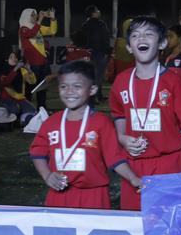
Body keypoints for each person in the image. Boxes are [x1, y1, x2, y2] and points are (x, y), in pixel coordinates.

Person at [109, 16, 181, 210]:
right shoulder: (121, 81)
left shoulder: (174, 81)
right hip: (134, 163)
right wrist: (123, 138)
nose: (141, 38)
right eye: (135, 35)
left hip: (168, 162)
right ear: (128, 46)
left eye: (148, 34)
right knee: (133, 219)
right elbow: (119, 115)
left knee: (165, 220)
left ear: (162, 43)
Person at [29, 60, 141, 210]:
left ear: (92, 89)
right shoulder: (51, 123)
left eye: (77, 86)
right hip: (58, 195)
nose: (69, 91)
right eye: (64, 86)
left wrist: (132, 178)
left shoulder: (101, 122)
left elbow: (114, 158)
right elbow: (37, 152)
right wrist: (47, 175)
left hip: (94, 196)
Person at [19, 7, 57, 109]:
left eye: (35, 14)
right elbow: (31, 33)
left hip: (43, 62)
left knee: (42, 88)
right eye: (33, 14)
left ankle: (42, 110)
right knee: (30, 89)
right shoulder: (23, 28)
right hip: (32, 64)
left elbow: (52, 31)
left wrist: (52, 19)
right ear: (26, 16)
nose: (35, 16)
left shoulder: (37, 27)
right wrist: (40, 19)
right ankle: (26, 110)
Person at [0, 48, 38, 126]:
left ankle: (20, 121)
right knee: (15, 109)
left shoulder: (21, 70)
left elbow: (32, 82)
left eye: (15, 57)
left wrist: (29, 70)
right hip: (6, 98)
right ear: (6, 59)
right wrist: (15, 69)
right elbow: (6, 82)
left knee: (32, 110)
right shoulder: (3, 69)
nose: (14, 59)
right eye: (11, 57)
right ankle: (6, 118)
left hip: (19, 98)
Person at [81, 6, 112, 103]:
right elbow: (105, 38)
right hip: (100, 52)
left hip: (88, 53)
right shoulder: (100, 24)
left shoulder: (85, 25)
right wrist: (107, 51)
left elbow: (81, 39)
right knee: (99, 76)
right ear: (93, 13)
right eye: (97, 11)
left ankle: (98, 95)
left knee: (91, 75)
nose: (99, 12)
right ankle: (94, 97)